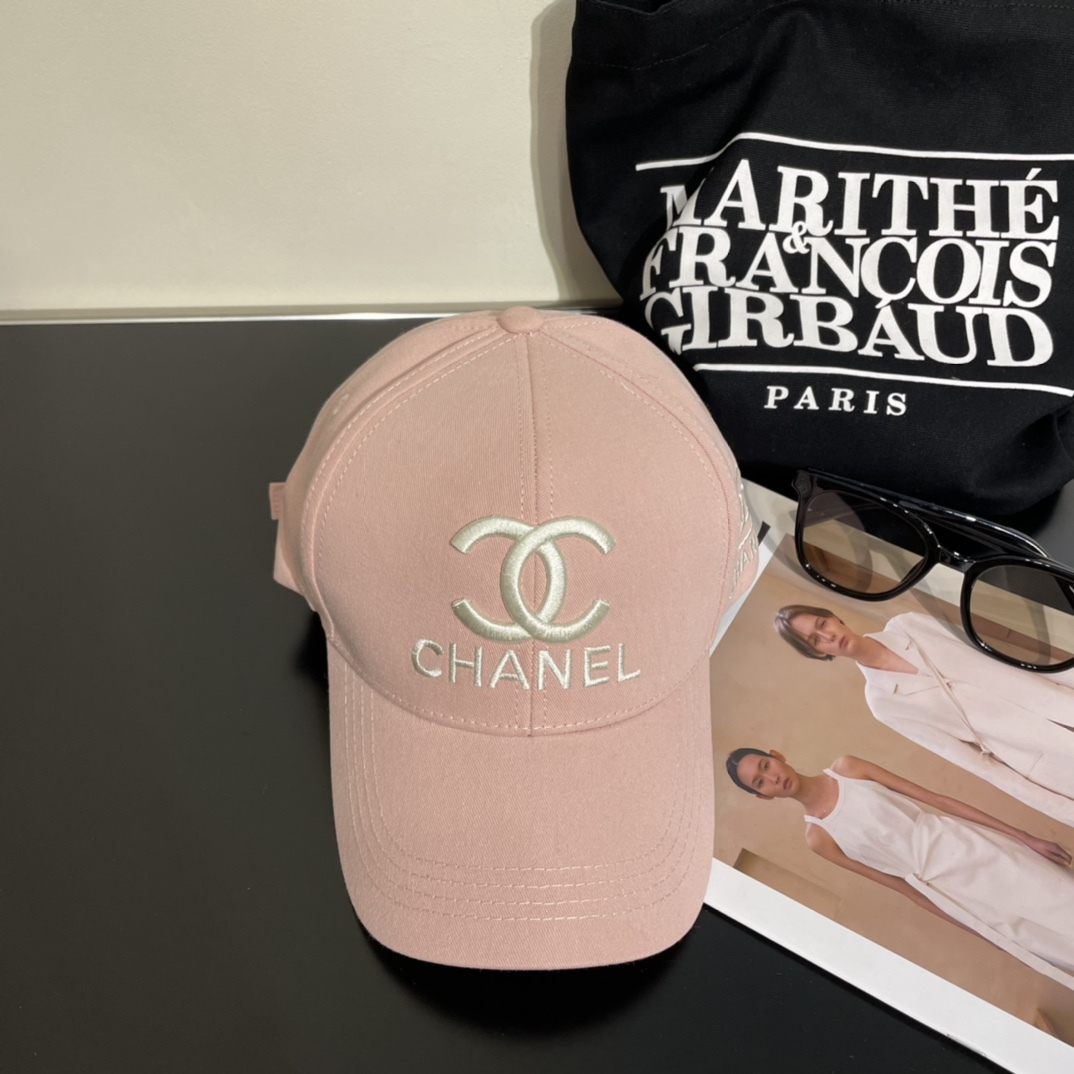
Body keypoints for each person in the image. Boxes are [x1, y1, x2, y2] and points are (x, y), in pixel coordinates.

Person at [726, 748, 1074, 989]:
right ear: (763, 797)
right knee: (1047, 943)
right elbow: (903, 890)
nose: (772, 778)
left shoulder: (847, 768)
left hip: (970, 846)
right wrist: (984, 934)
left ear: (777, 756)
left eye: (765, 766)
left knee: (1060, 896)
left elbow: (938, 800)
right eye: (760, 782)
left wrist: (1024, 837)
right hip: (949, 891)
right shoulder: (819, 839)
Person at [774, 606, 1074, 827]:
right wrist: (1062, 810)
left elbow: (1005, 653)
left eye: (823, 623)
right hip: (1042, 759)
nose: (828, 636)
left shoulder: (908, 625)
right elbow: (971, 761)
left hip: (1060, 700)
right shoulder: (882, 702)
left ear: (834, 617)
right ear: (818, 654)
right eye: (816, 641)